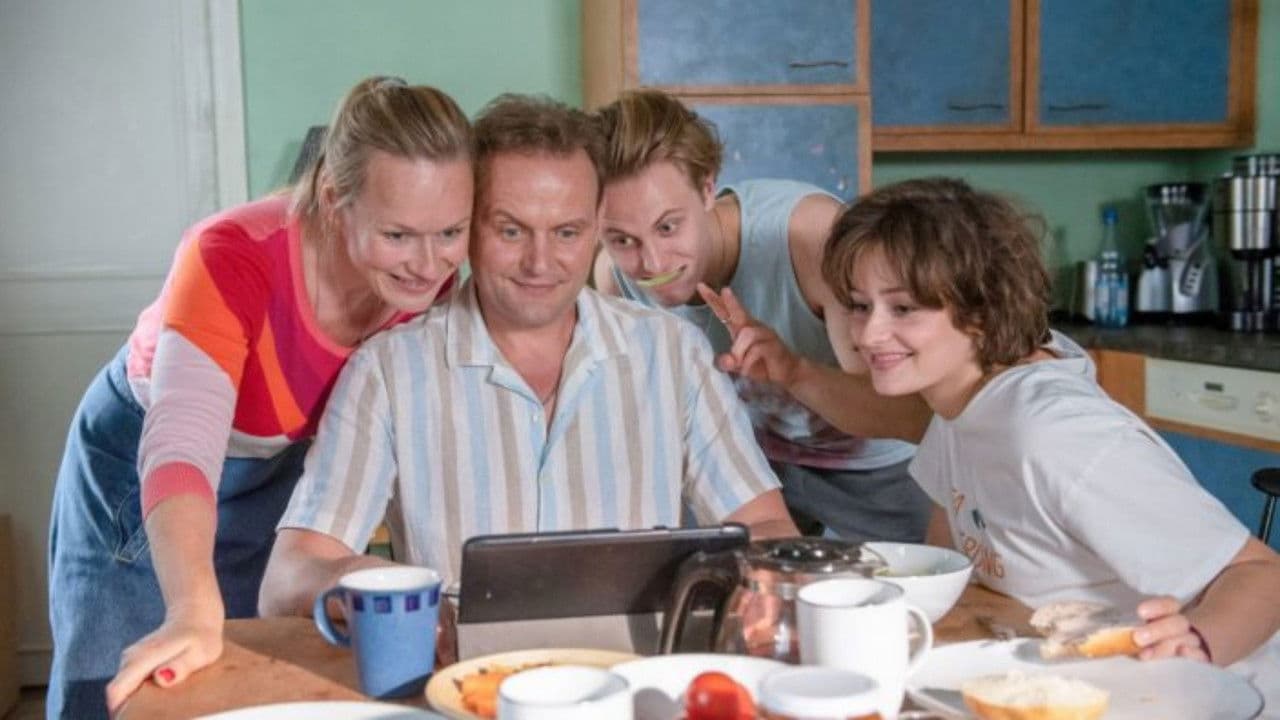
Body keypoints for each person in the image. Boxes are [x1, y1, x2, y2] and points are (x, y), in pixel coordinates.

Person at [257, 94, 797, 625]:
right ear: (468, 225)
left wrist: (761, 581)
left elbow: (767, 525)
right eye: (511, 230)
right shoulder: (387, 372)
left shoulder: (673, 354)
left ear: (597, 226)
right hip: (464, 679)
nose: (540, 262)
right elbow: (286, 580)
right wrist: (381, 586)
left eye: (567, 232)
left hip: (636, 676)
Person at [47, 76, 474, 718]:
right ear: (333, 200)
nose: (429, 263)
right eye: (398, 235)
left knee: (245, 679)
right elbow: (181, 443)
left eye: (450, 232)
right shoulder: (231, 255)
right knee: (122, 682)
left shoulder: (433, 286)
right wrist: (191, 606)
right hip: (144, 468)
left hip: (276, 469)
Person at [821, 176, 1280, 707]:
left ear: (981, 310)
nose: (868, 334)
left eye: (903, 309)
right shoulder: (957, 405)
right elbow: (951, 564)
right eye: (859, 305)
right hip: (1073, 688)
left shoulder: (1055, 434)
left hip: (1210, 695)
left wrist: (1196, 644)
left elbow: (1262, 575)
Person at [591, 89, 932, 542]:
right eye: (621, 239)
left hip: (874, 473)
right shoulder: (615, 278)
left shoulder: (811, 237)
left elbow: (910, 416)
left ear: (707, 189)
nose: (651, 263)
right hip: (752, 471)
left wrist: (793, 371)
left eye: (668, 227)